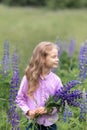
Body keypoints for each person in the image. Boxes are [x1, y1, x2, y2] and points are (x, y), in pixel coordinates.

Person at [16, 41, 63, 130]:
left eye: (57, 56)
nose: (57, 59)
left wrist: (48, 110)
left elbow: (60, 102)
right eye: (54, 57)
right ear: (42, 59)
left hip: (50, 125)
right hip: (33, 124)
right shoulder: (28, 78)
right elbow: (20, 98)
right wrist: (28, 111)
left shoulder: (56, 80)